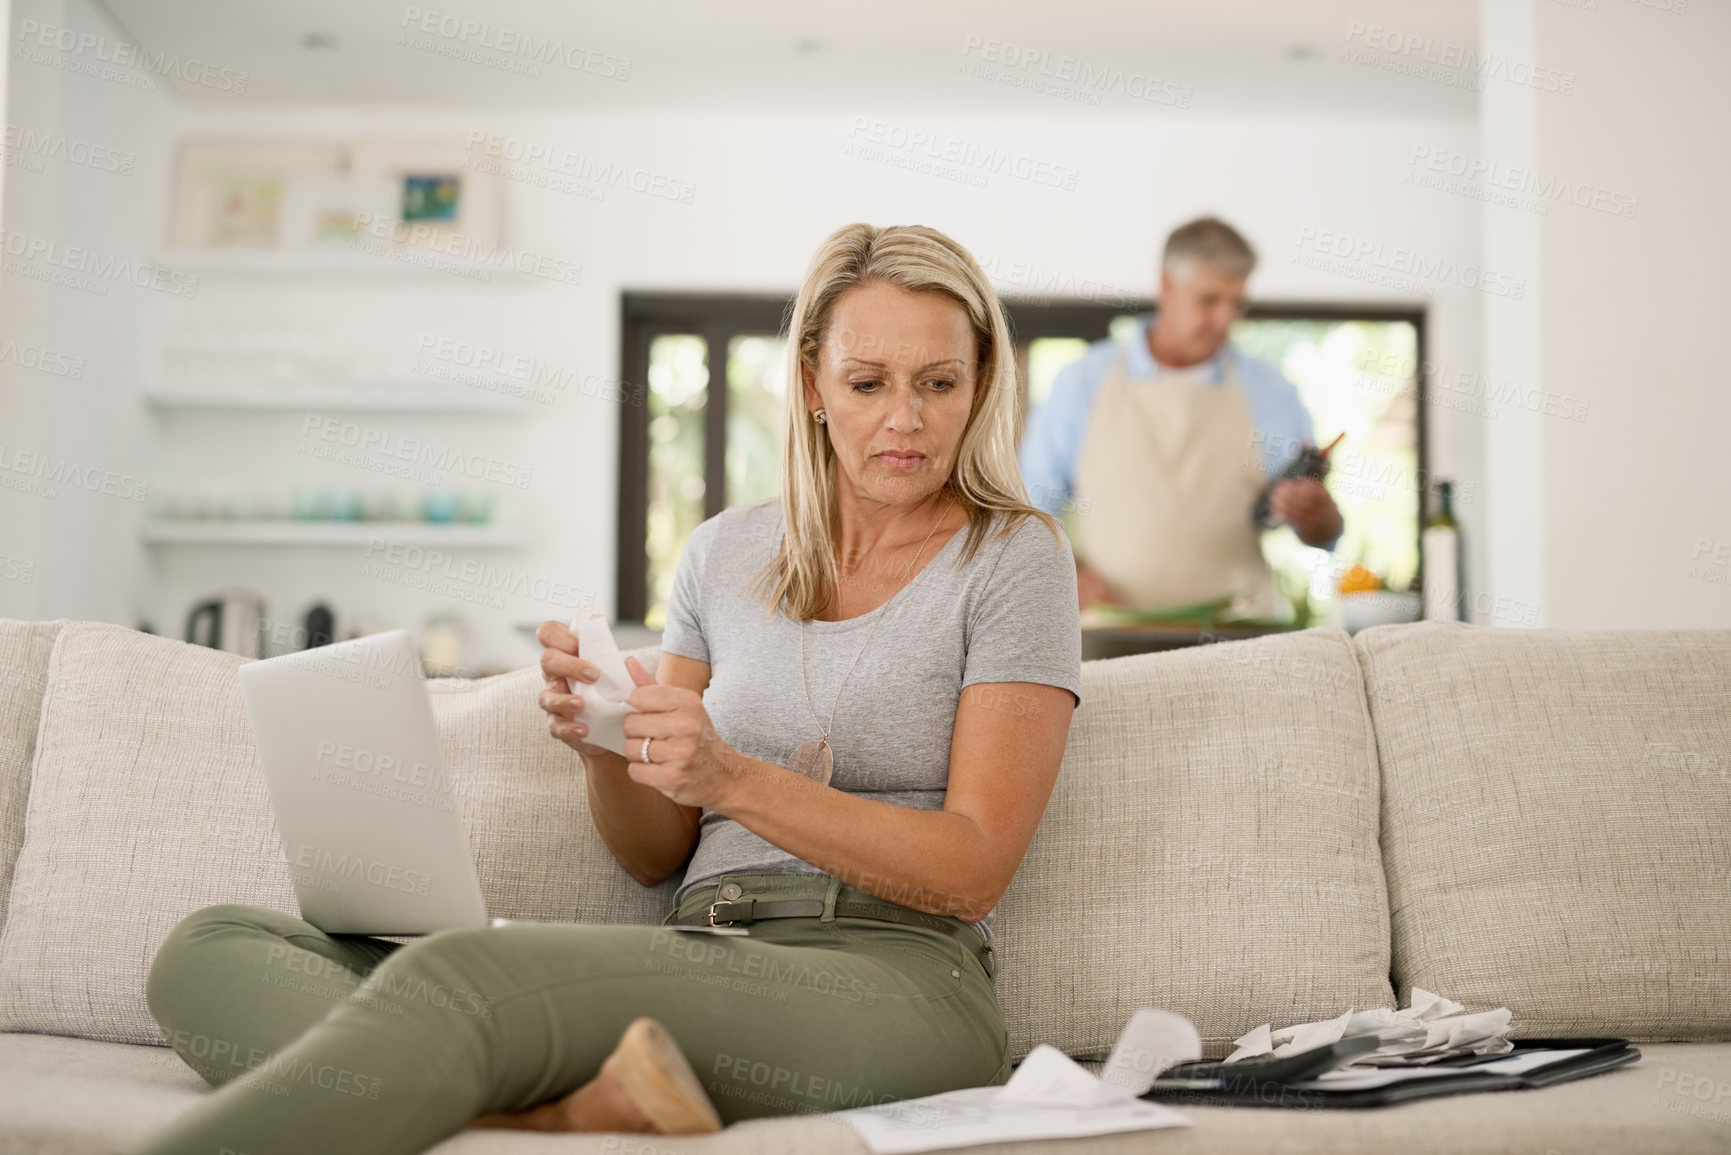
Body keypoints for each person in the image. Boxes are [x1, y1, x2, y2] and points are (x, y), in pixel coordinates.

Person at [131, 223, 1082, 1155]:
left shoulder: (1013, 558)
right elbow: (652, 856)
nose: (904, 418)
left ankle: (485, 1093)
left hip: (892, 980)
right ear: (812, 386)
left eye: (938, 383)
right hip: (703, 946)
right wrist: (605, 746)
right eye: (868, 383)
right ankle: (551, 1117)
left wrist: (733, 777)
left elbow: (970, 868)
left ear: (982, 384)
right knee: (210, 949)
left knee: (468, 976)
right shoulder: (723, 553)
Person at [1020, 215, 1343, 616]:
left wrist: (1320, 518)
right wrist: (1069, 573)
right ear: (1167, 286)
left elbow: (1311, 528)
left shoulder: (1273, 392)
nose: (1226, 320)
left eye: (1236, 304)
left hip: (1237, 634)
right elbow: (1031, 507)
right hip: (1110, 628)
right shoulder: (1082, 383)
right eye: (1210, 300)